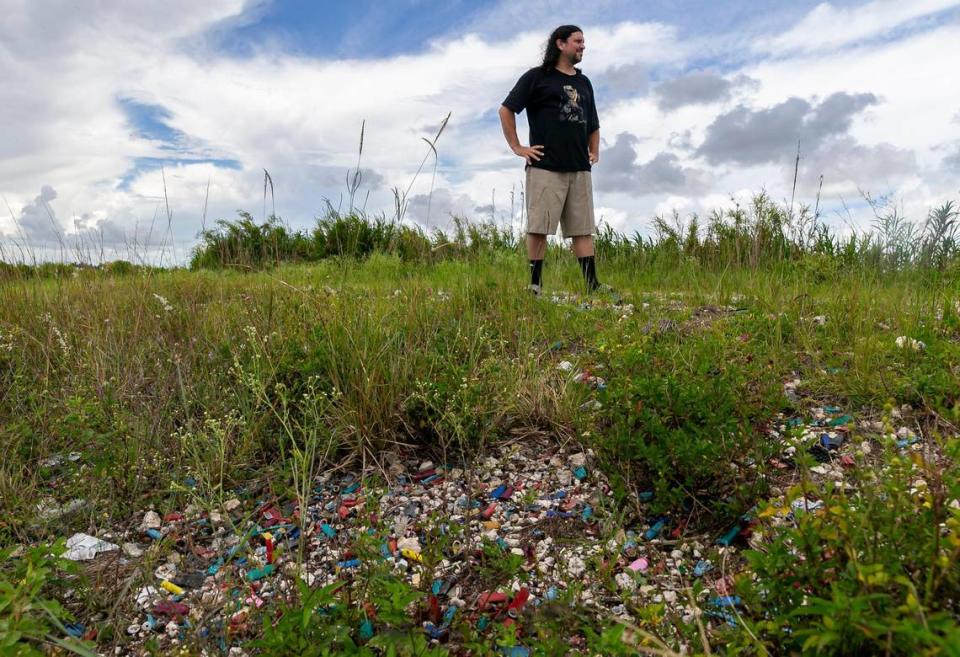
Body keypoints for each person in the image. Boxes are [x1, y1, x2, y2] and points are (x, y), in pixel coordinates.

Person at [498, 24, 607, 296]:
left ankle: (592, 285)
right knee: (539, 227)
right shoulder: (538, 77)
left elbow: (593, 122)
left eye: (584, 42)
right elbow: (506, 109)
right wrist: (518, 147)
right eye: (578, 41)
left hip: (579, 168)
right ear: (560, 44)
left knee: (582, 228)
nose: (583, 46)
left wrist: (594, 150)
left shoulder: (584, 83)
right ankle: (535, 285)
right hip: (545, 166)